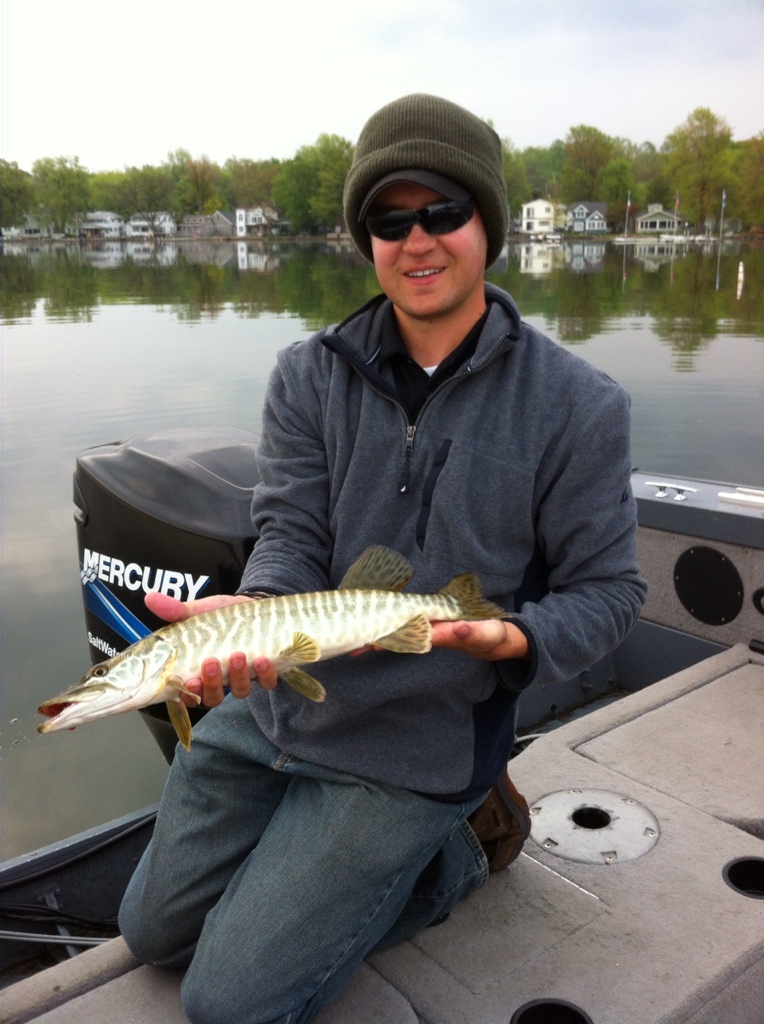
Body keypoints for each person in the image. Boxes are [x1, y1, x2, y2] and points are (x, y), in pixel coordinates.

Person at [119, 94, 647, 1024]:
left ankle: (466, 842)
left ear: (489, 223)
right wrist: (257, 614)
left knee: (223, 1004)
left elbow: (610, 595)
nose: (419, 241)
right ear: (366, 238)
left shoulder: (579, 406)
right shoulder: (305, 374)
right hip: (285, 707)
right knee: (149, 935)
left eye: (443, 210)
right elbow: (287, 536)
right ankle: (307, 859)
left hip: (419, 740)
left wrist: (507, 639)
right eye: (389, 220)